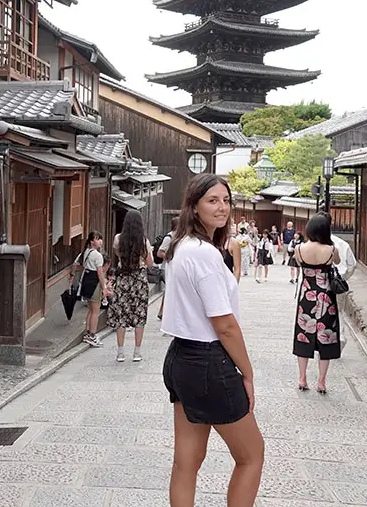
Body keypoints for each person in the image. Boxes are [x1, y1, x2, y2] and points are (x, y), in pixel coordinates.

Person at [161, 173, 263, 507]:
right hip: (208, 360)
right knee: (251, 455)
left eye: (226, 200)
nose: (222, 207)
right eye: (212, 200)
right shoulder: (205, 253)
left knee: (186, 461)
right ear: (194, 206)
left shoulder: (181, 246)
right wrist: (247, 373)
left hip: (180, 357)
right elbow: (224, 324)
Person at [292, 214, 341, 394]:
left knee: (303, 334)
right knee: (326, 337)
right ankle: (321, 382)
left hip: (306, 295)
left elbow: (299, 263)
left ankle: (302, 378)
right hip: (326, 297)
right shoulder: (331, 249)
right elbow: (337, 262)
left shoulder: (299, 249)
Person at [109, 210, 155, 362]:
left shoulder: (118, 239)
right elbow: (150, 263)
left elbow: (118, 255)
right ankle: (137, 352)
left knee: (121, 315)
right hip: (139, 279)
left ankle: (120, 352)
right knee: (139, 315)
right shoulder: (144, 241)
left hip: (123, 278)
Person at [72, 232, 108, 348]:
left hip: (86, 280)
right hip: (94, 282)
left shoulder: (86, 252)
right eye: (97, 239)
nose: (100, 241)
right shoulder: (97, 255)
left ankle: (87, 333)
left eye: (100, 239)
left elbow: (78, 264)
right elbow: (100, 273)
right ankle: (92, 335)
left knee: (91, 310)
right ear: (92, 241)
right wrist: (104, 287)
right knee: (95, 311)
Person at [156, 217, 179, 320]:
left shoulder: (179, 237)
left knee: (170, 290)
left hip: (174, 268)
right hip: (167, 268)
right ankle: (163, 311)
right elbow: (159, 252)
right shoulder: (169, 238)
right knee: (170, 289)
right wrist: (170, 257)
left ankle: (163, 311)